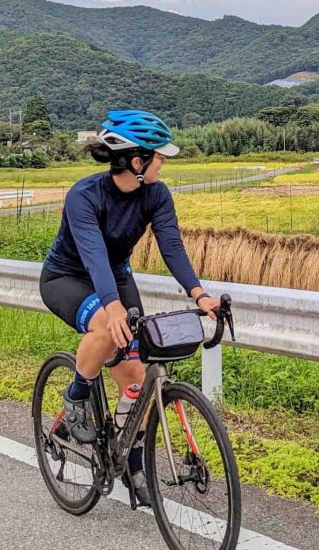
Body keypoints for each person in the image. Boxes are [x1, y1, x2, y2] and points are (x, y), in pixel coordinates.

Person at [39, 109, 219, 507]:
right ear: (138, 161)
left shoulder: (156, 194)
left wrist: (199, 294)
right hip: (68, 277)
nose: (164, 162)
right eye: (160, 156)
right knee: (106, 327)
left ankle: (133, 463)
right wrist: (112, 306)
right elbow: (93, 256)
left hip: (116, 277)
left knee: (136, 380)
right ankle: (76, 395)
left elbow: (171, 245)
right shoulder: (83, 196)